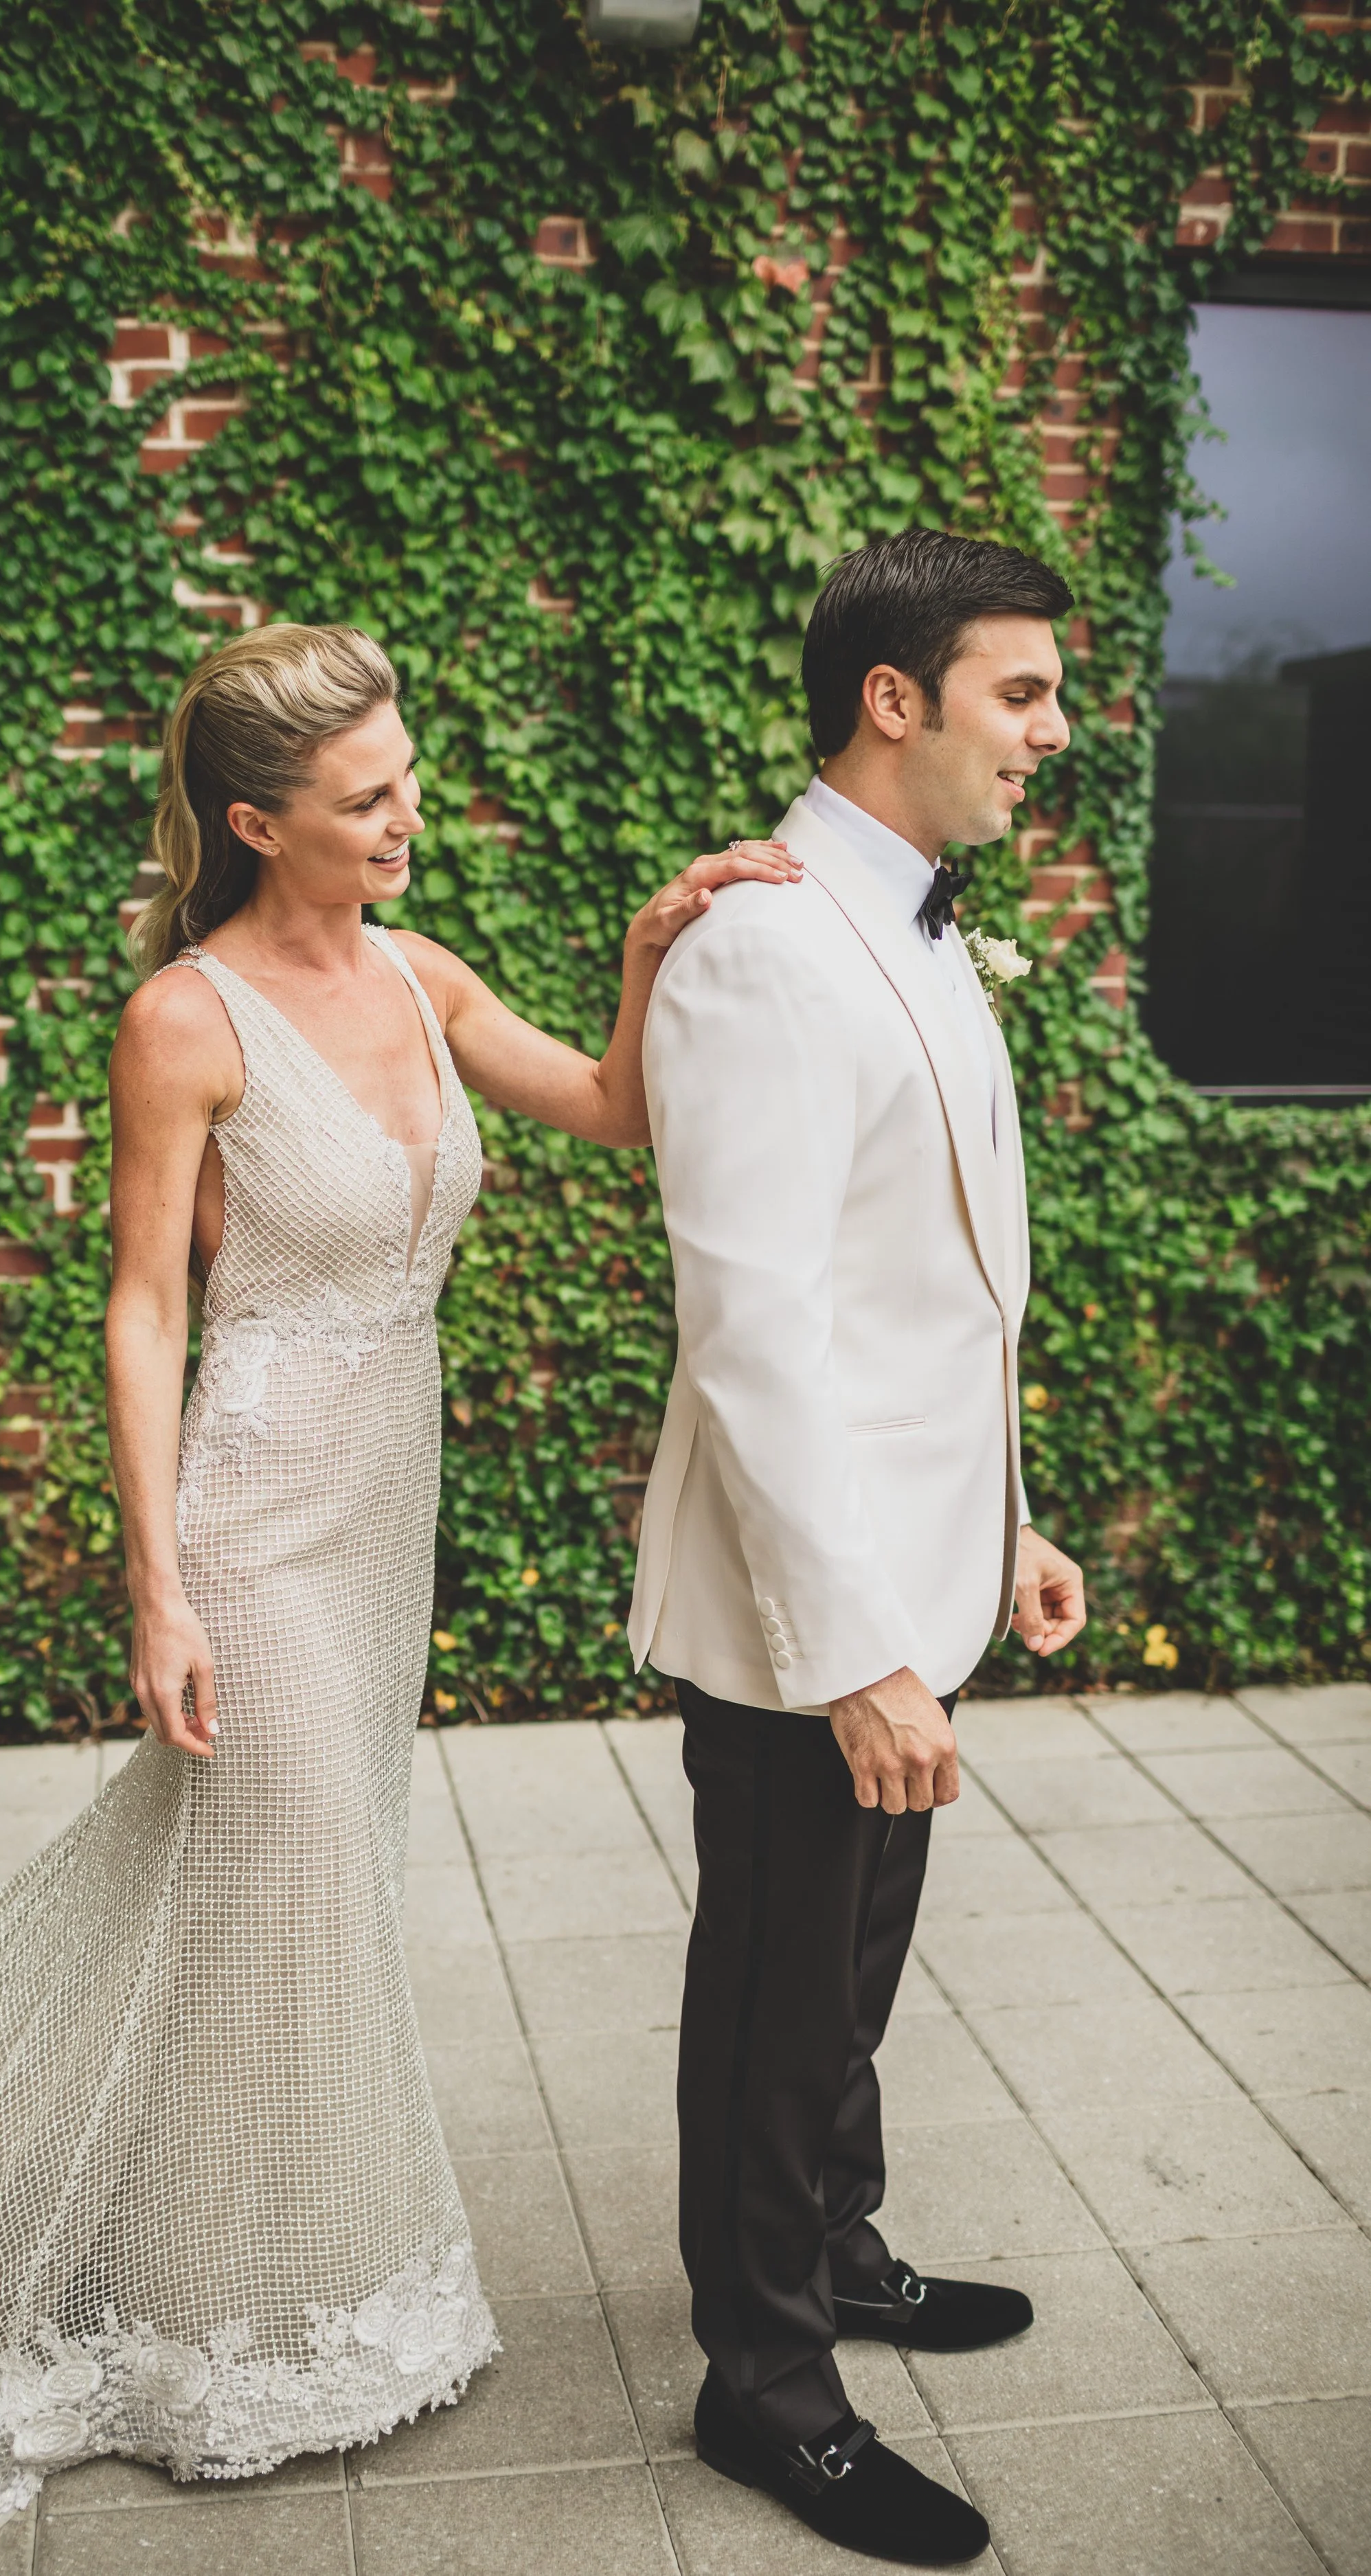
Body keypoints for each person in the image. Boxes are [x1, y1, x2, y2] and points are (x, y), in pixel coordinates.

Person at [0, 623, 797, 2575]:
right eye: (367, 800)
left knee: (310, 1870)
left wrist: (647, 940)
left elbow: (615, 1107)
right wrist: (158, 1584)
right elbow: (145, 1305)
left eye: (406, 778)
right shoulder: (186, 1016)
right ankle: (217, 2323)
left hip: (388, 1510)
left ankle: (263, 2252)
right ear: (255, 820)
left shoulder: (424, 979)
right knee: (287, 1875)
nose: (406, 819)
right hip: (260, 1512)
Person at [629, 531, 1089, 2567]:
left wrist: (1001, 1523)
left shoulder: (911, 923)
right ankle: (767, 2378)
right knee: (778, 1990)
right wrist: (850, 1650)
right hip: (802, 1611)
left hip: (920, 1564)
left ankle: (836, 2241)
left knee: (861, 1962)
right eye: (1022, 692)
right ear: (890, 697)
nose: (1051, 734)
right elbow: (752, 1325)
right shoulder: (764, 941)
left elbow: (929, 1279)